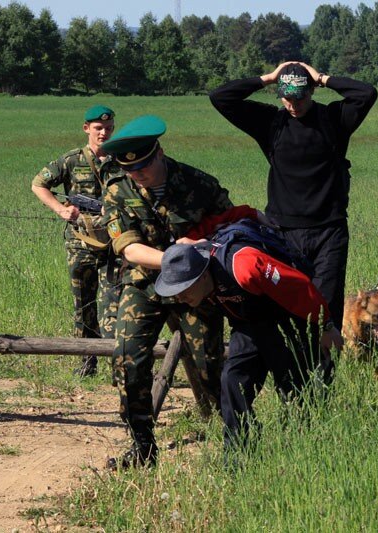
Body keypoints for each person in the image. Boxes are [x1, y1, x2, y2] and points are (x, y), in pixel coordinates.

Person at [99, 115, 261, 469]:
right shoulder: (117, 192)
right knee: (128, 358)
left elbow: (234, 224)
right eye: (130, 170)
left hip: (196, 288)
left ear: (159, 153)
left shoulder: (198, 183)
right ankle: (142, 446)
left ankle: (241, 441)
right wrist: (176, 257)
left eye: (142, 166)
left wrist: (205, 250)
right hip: (144, 284)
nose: (137, 175)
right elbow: (128, 249)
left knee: (211, 368)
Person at [209, 61, 377, 330]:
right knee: (285, 307)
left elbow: (366, 93)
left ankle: (322, 369)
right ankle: (294, 368)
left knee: (326, 312)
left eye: (299, 97)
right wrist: (268, 77)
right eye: (286, 97)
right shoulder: (271, 123)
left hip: (328, 232)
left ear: (311, 92)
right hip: (281, 233)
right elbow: (220, 97)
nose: (293, 104)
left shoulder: (334, 120)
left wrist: (321, 77)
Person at [154, 223, 343, 452]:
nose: (181, 297)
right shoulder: (199, 288)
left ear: (203, 275)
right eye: (176, 292)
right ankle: (237, 457)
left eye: (185, 289)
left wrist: (326, 325)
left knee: (294, 387)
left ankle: (307, 448)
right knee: (232, 381)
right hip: (248, 324)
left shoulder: (244, 265)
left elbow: (299, 288)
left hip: (285, 319)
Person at [31, 105, 124, 377]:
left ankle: (120, 366)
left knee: (115, 305)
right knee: (84, 306)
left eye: (108, 128)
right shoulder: (71, 160)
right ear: (86, 129)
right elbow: (38, 184)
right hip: (80, 244)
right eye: (98, 128)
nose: (104, 133)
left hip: (115, 244)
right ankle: (86, 364)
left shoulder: (122, 160)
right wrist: (61, 210)